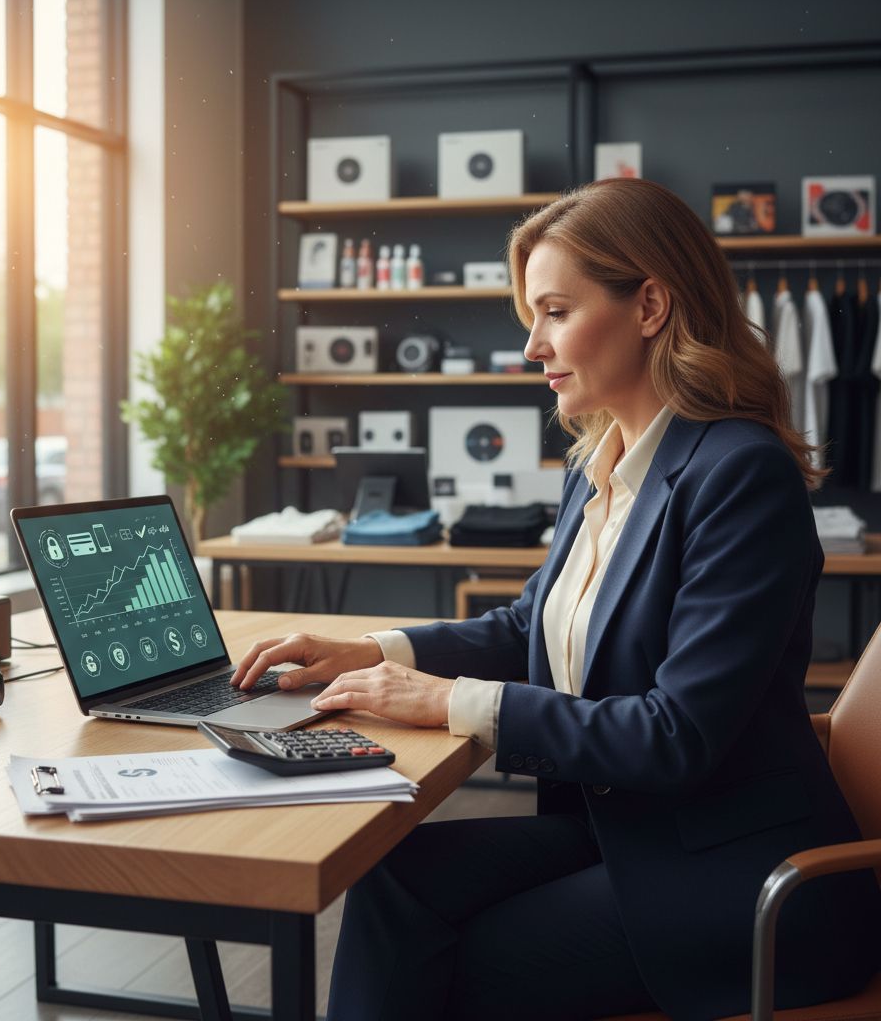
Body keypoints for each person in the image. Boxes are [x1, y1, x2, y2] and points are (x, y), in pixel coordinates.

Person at [230, 178, 881, 1021]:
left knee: (446, 963)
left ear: (650, 305)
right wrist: (374, 653)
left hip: (740, 876)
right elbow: (526, 624)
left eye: (555, 312)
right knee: (391, 877)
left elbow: (676, 735)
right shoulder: (602, 461)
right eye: (530, 318)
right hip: (635, 830)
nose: (532, 346)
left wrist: (449, 702)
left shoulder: (739, 474)